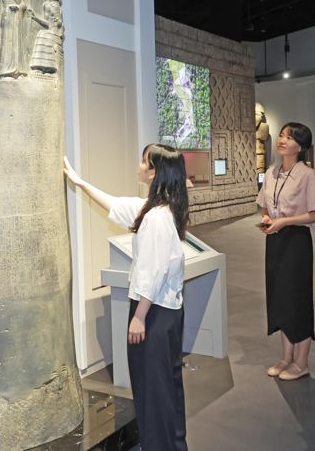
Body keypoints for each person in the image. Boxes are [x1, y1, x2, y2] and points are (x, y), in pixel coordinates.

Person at [64, 144, 189, 450]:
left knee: (153, 390)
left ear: (153, 172)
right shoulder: (159, 208)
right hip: (164, 311)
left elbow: (152, 271)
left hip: (154, 312)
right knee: (165, 387)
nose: (138, 164)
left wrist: (138, 317)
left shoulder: (157, 217)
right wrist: (79, 182)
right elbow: (116, 205)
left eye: (143, 161)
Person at [256, 123, 315, 381]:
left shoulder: (307, 174)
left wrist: (284, 221)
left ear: (301, 146)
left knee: (297, 298)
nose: (282, 140)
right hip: (274, 240)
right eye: (282, 136)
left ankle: (302, 361)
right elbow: (265, 205)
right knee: (279, 296)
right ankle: (286, 357)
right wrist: (267, 219)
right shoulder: (272, 172)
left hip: (296, 241)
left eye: (289, 137)